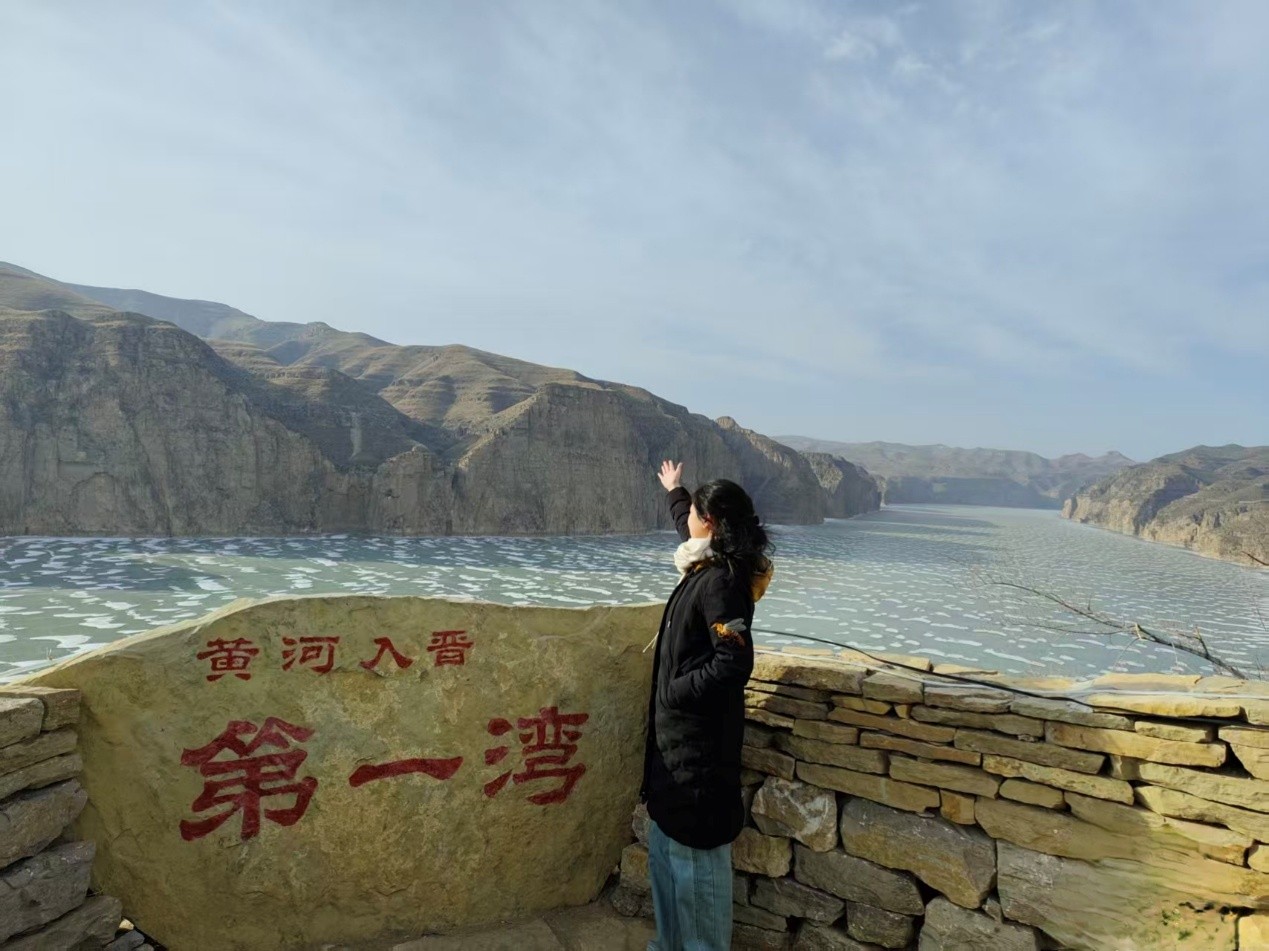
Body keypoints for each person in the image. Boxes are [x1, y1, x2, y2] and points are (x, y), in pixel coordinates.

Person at [641, 459, 774, 951]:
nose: (688, 521)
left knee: (695, 876)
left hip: (699, 756)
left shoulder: (721, 582)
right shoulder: (704, 562)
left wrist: (674, 692)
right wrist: (675, 491)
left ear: (712, 524)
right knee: (667, 863)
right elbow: (688, 525)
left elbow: (732, 663)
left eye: (695, 513)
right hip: (674, 754)